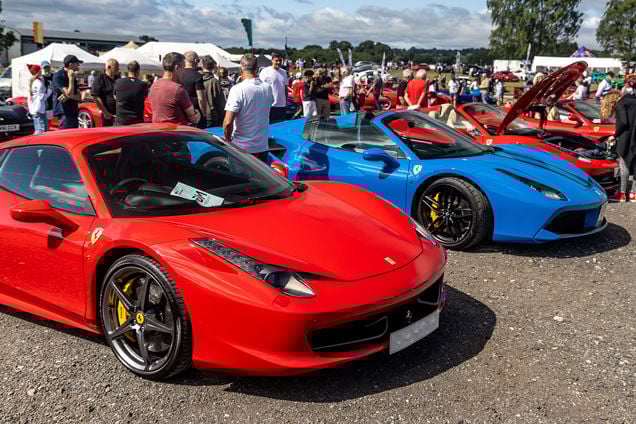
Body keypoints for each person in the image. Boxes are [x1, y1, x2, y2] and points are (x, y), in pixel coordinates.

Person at [223, 55, 274, 162]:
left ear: (241, 69)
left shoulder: (237, 89)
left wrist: (227, 139)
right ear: (257, 68)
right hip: (262, 147)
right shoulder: (268, 88)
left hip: (241, 148)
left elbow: (228, 122)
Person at [149, 52, 200, 125]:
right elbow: (194, 118)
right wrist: (198, 114)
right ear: (177, 68)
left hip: (157, 129)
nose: (184, 72)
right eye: (183, 68)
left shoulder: (154, 86)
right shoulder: (178, 90)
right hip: (176, 130)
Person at [614, 76, 636, 202]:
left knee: (624, 164)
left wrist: (615, 134)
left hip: (625, 137)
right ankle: (634, 194)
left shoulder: (622, 102)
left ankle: (622, 193)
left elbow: (623, 121)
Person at [113, 60, 148, 126]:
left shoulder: (118, 82)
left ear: (128, 70)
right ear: (138, 71)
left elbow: (115, 97)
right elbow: (144, 98)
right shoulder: (143, 85)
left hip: (121, 121)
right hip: (137, 121)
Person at [52, 55, 83, 129]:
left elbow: (79, 97)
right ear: (70, 64)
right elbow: (69, 93)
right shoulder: (58, 76)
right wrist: (71, 79)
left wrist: (69, 96)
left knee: (75, 135)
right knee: (65, 134)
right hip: (64, 113)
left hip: (74, 112)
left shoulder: (72, 76)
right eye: (77, 63)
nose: (79, 65)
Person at [259, 52, 288, 123]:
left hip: (282, 105)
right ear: (272, 60)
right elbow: (260, 87)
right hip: (270, 105)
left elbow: (285, 88)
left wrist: (286, 102)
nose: (278, 62)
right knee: (270, 126)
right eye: (276, 61)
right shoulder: (265, 71)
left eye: (280, 61)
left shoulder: (284, 72)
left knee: (281, 126)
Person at [181, 51, 207, 129]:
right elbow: (201, 98)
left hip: (181, 111)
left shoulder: (179, 74)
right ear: (195, 60)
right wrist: (204, 115)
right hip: (195, 112)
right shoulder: (197, 76)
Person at [91, 58, 120, 126]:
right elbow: (96, 96)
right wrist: (105, 112)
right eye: (116, 67)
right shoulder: (100, 78)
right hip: (107, 115)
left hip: (119, 114)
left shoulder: (118, 78)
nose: (118, 69)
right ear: (109, 67)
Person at [200, 55, 226, 127]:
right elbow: (220, 102)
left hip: (199, 115)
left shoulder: (197, 79)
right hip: (212, 116)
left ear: (202, 65)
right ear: (213, 66)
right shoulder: (214, 81)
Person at [26, 64, 52, 135]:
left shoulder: (32, 82)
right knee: (42, 132)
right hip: (39, 110)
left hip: (34, 109)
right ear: (37, 71)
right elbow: (42, 97)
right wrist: (49, 91)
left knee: (38, 131)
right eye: (40, 70)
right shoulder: (38, 83)